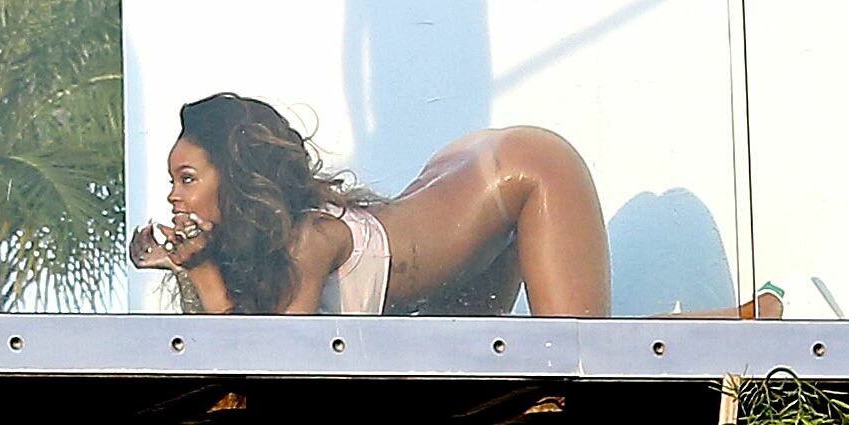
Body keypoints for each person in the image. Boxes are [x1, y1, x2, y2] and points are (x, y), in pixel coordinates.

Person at [132, 93, 779, 318]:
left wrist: (198, 268)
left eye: (187, 178)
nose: (173, 195)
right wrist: (194, 268)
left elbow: (272, 363)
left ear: (237, 178)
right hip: (457, 209)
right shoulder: (276, 254)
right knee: (521, 359)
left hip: (522, 172)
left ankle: (747, 320)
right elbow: (241, 345)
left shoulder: (307, 240)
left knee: (583, 354)